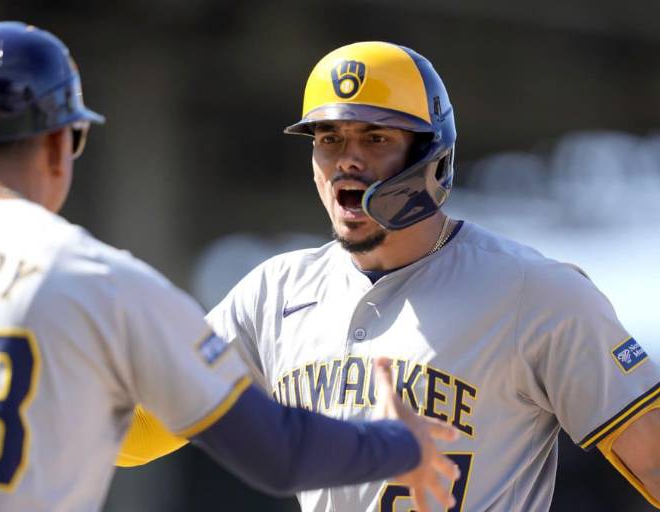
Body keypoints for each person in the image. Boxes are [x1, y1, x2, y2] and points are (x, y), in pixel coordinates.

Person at [0, 26, 462, 511]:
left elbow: (136, 437)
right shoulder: (103, 283)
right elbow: (279, 454)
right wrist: (399, 445)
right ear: (58, 146)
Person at [119, 42, 660, 511]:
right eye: (329, 139)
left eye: (375, 138)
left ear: (431, 157)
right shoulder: (273, 291)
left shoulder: (534, 291)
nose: (346, 161)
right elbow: (139, 431)